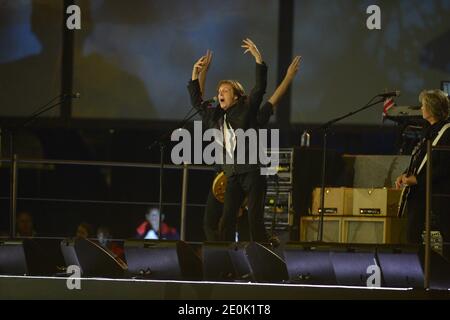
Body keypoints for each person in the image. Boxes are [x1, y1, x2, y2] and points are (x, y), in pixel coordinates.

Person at [188, 38, 301, 242]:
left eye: (225, 91)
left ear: (237, 96)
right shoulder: (216, 115)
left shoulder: (249, 112)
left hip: (252, 171)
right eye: (219, 91)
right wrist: (196, 74)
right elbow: (198, 102)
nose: (220, 94)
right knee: (226, 220)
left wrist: (260, 60)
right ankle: (226, 260)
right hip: (230, 173)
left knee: (253, 219)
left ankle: (264, 251)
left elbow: (262, 92)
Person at [395, 89, 450, 257]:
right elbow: (420, 160)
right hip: (419, 194)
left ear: (432, 108)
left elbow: (444, 167)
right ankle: (417, 274)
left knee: (445, 236)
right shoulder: (428, 132)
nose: (421, 108)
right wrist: (405, 175)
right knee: (412, 235)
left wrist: (418, 180)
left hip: (438, 194)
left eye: (424, 105)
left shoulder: (447, 132)